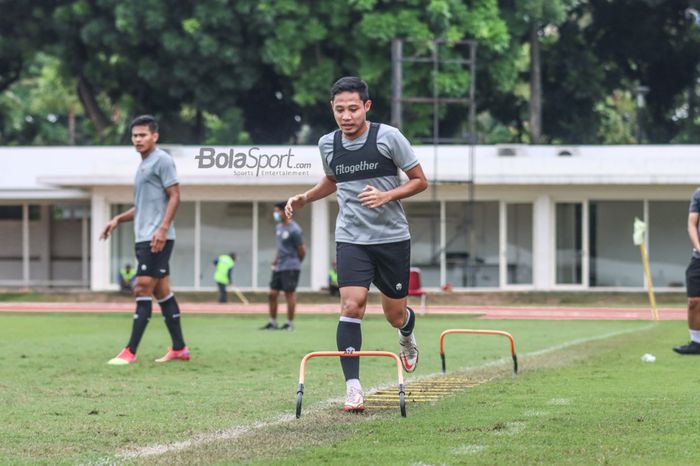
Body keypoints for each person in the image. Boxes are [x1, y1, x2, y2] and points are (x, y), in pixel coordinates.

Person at [285, 76, 428, 412]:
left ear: (366, 107)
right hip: (351, 238)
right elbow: (333, 180)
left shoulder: (389, 137)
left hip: (392, 238)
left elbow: (420, 181)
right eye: (339, 110)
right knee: (352, 305)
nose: (346, 116)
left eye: (352, 109)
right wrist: (306, 197)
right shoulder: (327, 144)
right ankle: (353, 388)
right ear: (332, 110)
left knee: (394, 314)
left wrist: (387, 194)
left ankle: (406, 334)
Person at [100, 114, 189, 365]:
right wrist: (117, 219)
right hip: (144, 237)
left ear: (154, 136)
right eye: (135, 136)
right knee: (162, 292)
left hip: (156, 238)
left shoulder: (162, 160)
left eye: (143, 135)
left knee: (140, 288)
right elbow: (141, 207)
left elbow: (175, 196)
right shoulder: (143, 165)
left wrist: (162, 229)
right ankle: (180, 348)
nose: (138, 140)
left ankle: (130, 351)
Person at [261, 202, 305, 331]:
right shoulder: (279, 227)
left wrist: (295, 263)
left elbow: (302, 250)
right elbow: (280, 248)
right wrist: (275, 261)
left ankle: (289, 323)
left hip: (291, 266)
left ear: (285, 212)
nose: (275, 214)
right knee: (272, 294)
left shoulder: (295, 230)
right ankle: (273, 322)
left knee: (289, 294)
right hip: (279, 266)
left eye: (277, 211)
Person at [673, 187, 700, 354]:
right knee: (693, 302)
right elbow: (691, 224)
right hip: (698, 258)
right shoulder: (698, 194)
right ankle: (696, 342)